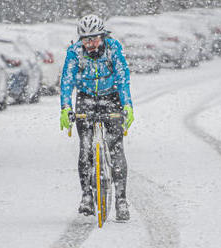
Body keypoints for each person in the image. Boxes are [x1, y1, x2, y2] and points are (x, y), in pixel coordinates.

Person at [60, 14, 134, 221]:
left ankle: (121, 199)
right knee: (85, 147)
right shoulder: (75, 53)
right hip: (86, 99)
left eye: (94, 39)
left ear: (102, 36)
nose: (90, 44)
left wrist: (127, 105)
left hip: (111, 97)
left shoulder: (113, 49)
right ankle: (86, 196)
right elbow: (66, 81)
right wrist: (65, 107)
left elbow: (122, 78)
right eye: (85, 40)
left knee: (116, 147)